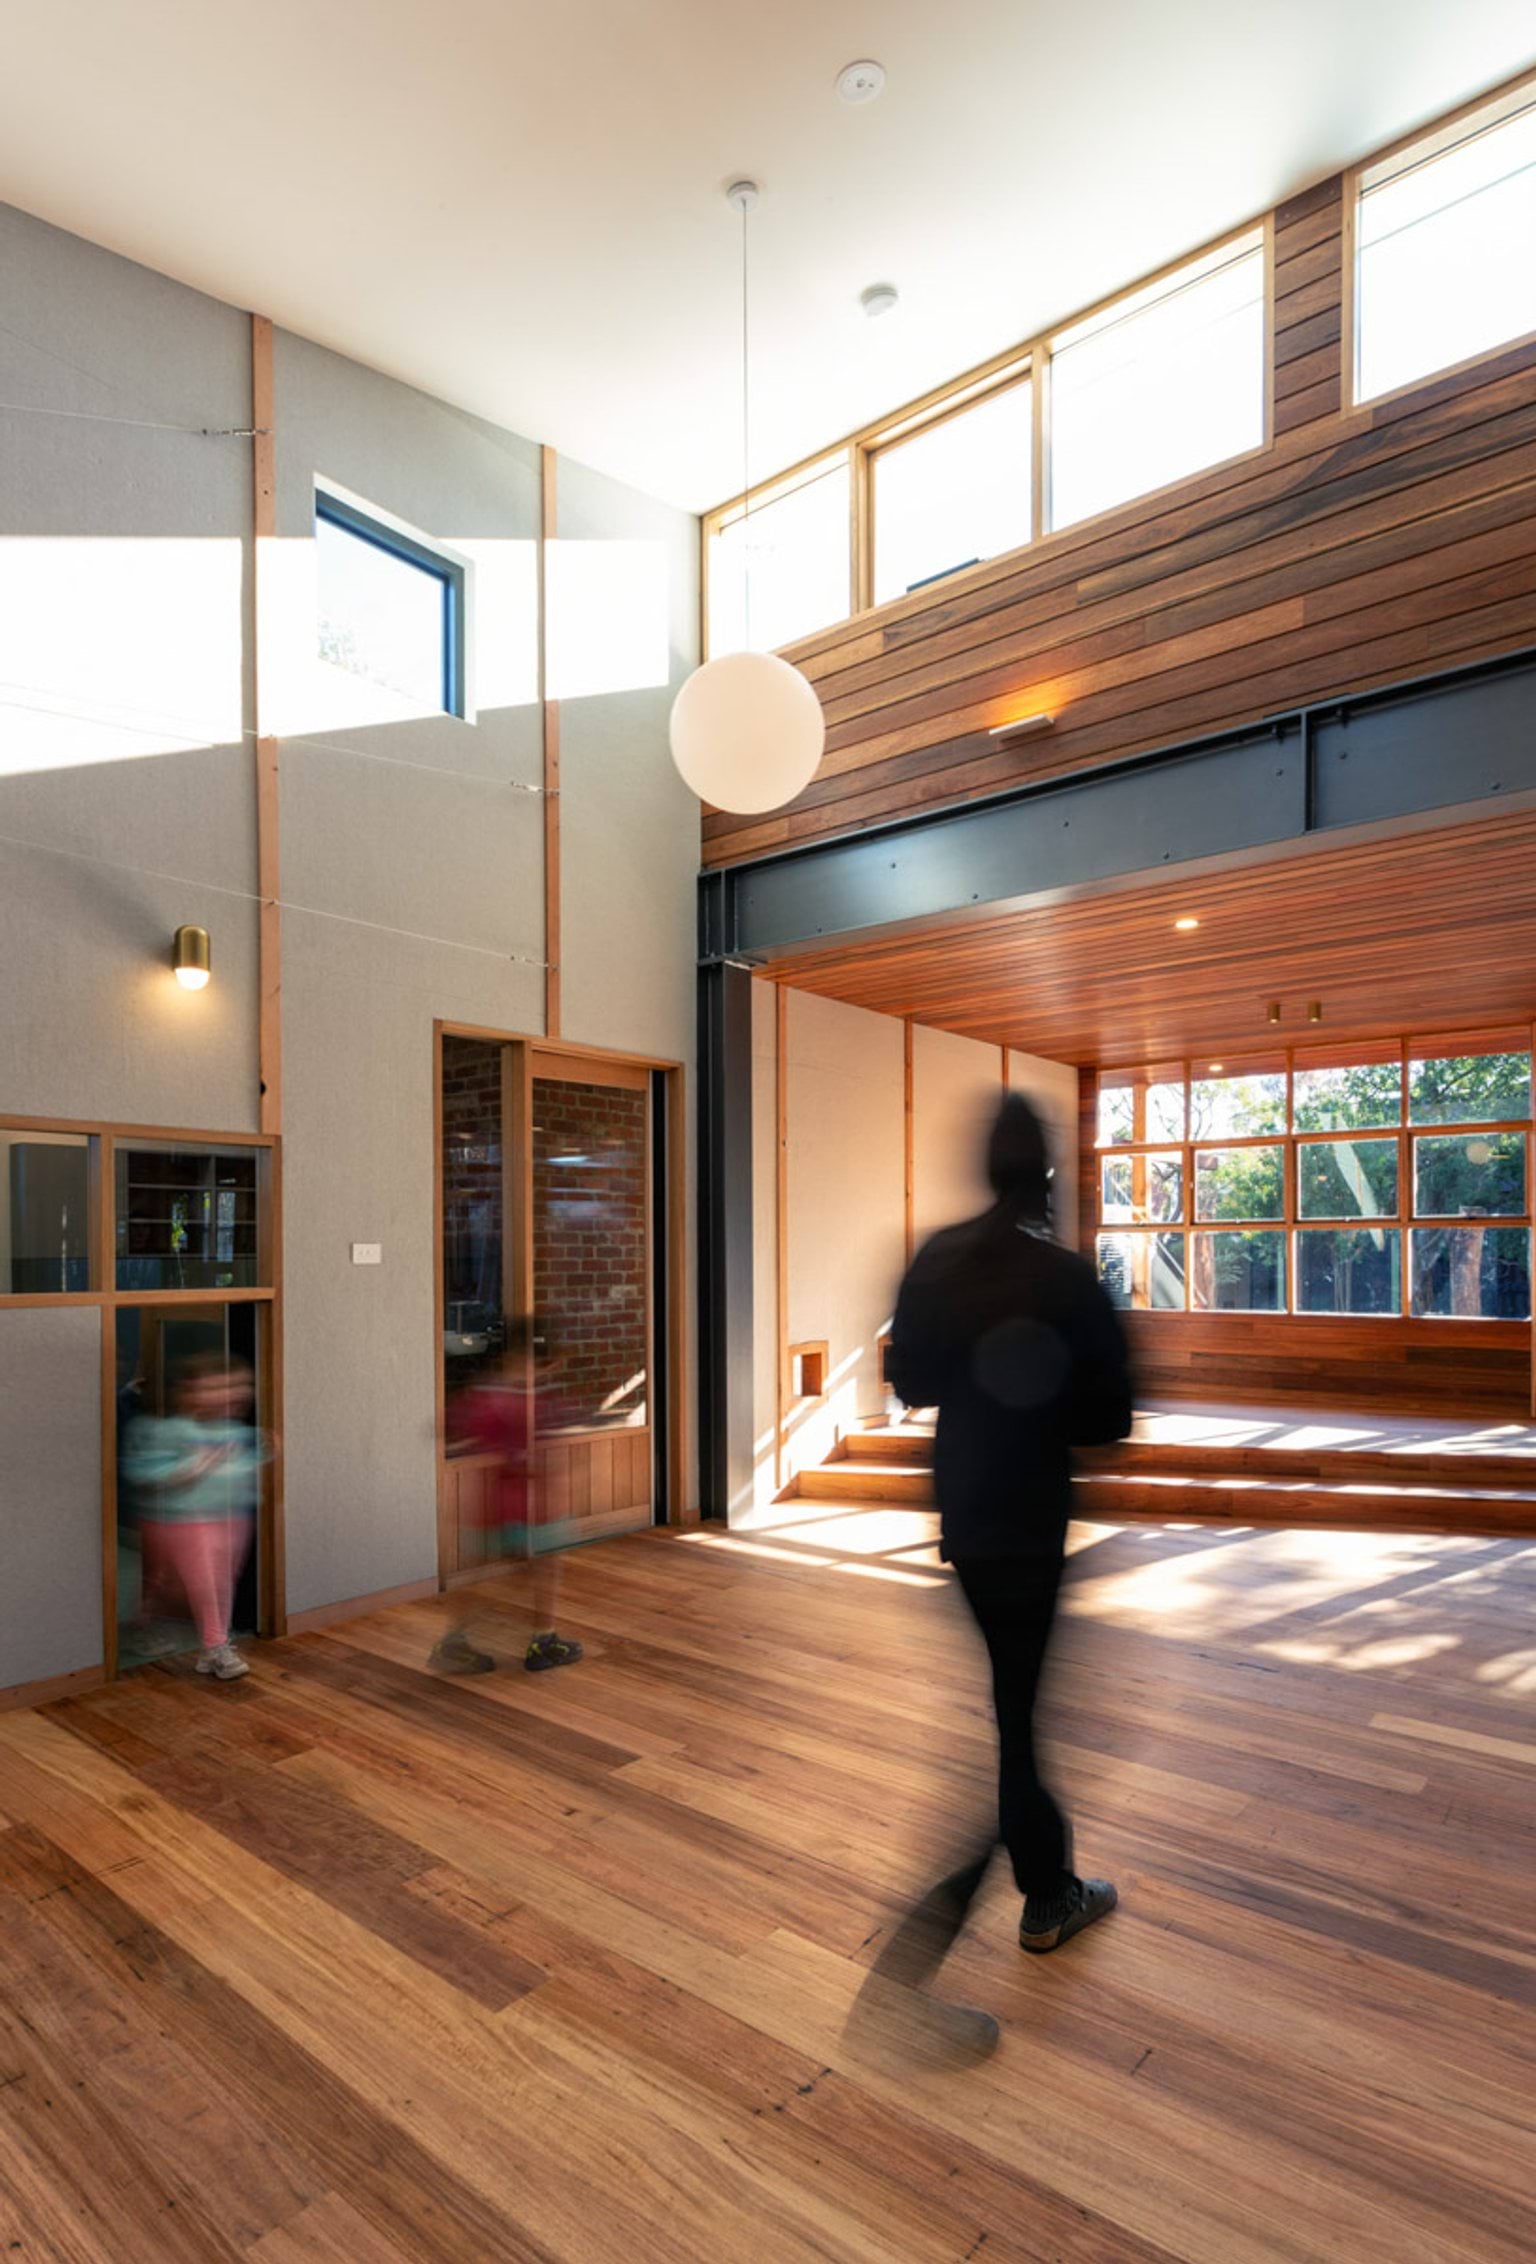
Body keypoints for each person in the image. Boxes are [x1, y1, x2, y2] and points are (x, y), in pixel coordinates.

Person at [885, 1092, 1133, 1961]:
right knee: (1019, 1711)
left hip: (963, 1502)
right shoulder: (1062, 1275)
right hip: (1030, 1508)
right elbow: (1111, 1418)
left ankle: (1040, 1869)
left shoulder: (938, 1258)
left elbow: (909, 1378)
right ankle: (1045, 1891)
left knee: (1013, 1701)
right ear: (1047, 1175)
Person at [431, 1317, 585, 1675]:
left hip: (492, 1505)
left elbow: (448, 1430)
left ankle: (455, 1641)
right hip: (533, 1505)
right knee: (545, 1568)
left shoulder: (487, 1396)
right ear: (547, 1362)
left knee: (490, 1574)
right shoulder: (538, 1401)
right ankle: (542, 1641)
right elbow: (550, 1452)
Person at [121, 1353, 266, 1681]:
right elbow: (142, 1470)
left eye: (240, 1386)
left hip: (231, 1517)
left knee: (221, 1582)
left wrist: (263, 1452)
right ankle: (216, 1647)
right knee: (198, 1584)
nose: (234, 1393)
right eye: (220, 1387)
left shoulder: (236, 1431)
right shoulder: (165, 1430)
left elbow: (243, 1465)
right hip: (182, 1519)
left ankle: (212, 1646)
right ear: (190, 1391)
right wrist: (193, 1468)